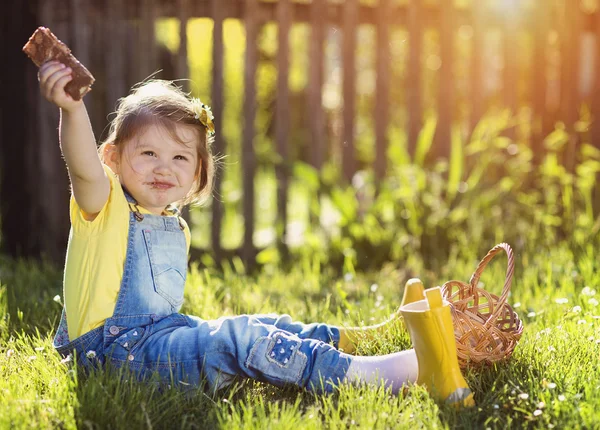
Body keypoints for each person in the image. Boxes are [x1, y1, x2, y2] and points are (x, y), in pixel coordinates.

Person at [38, 60, 474, 407]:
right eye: (148, 152)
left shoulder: (175, 225)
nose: (163, 167)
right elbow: (81, 166)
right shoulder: (104, 205)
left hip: (156, 342)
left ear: (197, 172)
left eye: (179, 157)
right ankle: (386, 373)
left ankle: (364, 338)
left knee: (260, 324)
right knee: (240, 340)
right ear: (113, 157)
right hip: (111, 358)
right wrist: (72, 109)